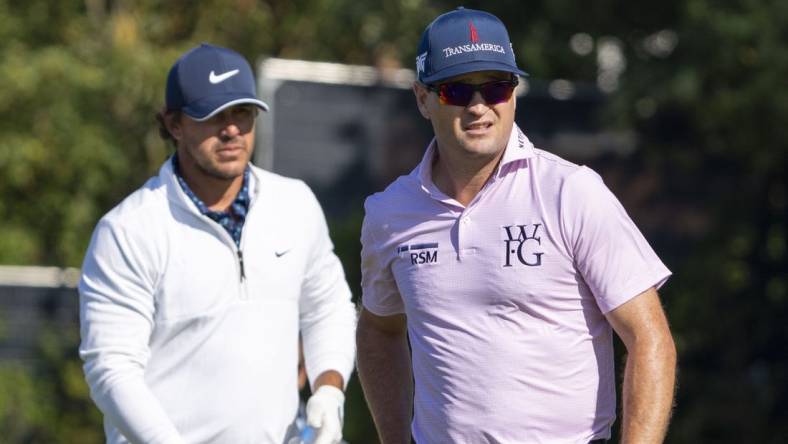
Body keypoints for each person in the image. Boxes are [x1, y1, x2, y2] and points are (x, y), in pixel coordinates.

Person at [357, 7, 676, 444]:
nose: (479, 107)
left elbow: (648, 337)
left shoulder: (571, 191)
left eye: (496, 87)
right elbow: (379, 327)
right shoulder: (388, 213)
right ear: (422, 98)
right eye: (456, 90)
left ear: (513, 92)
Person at [79, 43, 356, 444]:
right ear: (174, 124)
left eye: (242, 113)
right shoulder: (128, 230)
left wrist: (329, 391)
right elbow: (111, 368)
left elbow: (327, 309)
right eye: (212, 116)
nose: (231, 130)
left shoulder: (295, 203)